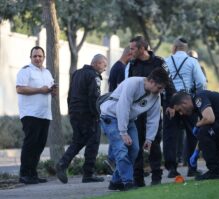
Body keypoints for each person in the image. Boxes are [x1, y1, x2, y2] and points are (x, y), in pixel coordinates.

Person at [100, 68, 170, 191]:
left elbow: (154, 118)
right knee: (121, 149)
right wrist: (123, 132)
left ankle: (116, 182)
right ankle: (128, 182)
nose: (160, 91)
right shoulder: (132, 83)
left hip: (128, 120)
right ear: (152, 81)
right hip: (110, 116)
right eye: (159, 87)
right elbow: (123, 107)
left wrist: (149, 139)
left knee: (135, 149)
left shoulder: (156, 96)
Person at [125, 35, 175, 186]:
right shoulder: (132, 64)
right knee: (137, 143)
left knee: (153, 143)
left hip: (153, 108)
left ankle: (156, 177)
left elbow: (169, 83)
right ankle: (138, 179)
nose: (130, 51)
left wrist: (171, 105)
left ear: (142, 48)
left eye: (133, 48)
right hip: (137, 111)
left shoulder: (159, 62)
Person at [56, 54, 108, 184]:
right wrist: (97, 115)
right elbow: (93, 97)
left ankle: (63, 163)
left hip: (75, 112)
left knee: (78, 141)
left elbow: (69, 94)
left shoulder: (77, 73)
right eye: (104, 65)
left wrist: (70, 111)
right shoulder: (94, 76)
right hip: (88, 114)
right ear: (96, 63)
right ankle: (88, 174)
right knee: (93, 142)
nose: (105, 68)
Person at [164, 38, 207, 178]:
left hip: (170, 102)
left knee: (171, 135)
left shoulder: (165, 61)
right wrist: (197, 97)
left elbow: (162, 81)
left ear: (174, 47)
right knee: (192, 134)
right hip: (188, 101)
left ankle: (171, 168)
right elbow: (201, 82)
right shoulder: (192, 61)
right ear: (185, 48)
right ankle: (191, 167)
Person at [16, 46, 57, 184]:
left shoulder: (47, 73)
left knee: (39, 145)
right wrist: (40, 90)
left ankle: (33, 174)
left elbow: (49, 90)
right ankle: (24, 174)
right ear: (31, 57)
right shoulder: (26, 71)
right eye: (35, 56)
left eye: (40, 56)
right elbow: (20, 88)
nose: (37, 58)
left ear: (44, 57)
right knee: (30, 144)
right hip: (30, 113)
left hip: (45, 114)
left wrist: (53, 92)